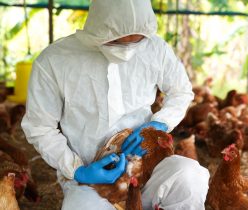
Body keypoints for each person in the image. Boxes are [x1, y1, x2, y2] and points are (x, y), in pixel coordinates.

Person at [21, 0, 210, 209]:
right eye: (118, 41)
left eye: (137, 40)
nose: (128, 48)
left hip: (145, 166)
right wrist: (77, 169)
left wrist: (160, 123)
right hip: (92, 178)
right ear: (99, 30)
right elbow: (40, 126)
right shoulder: (55, 60)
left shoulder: (156, 49)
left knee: (190, 175)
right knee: (81, 206)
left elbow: (181, 91)